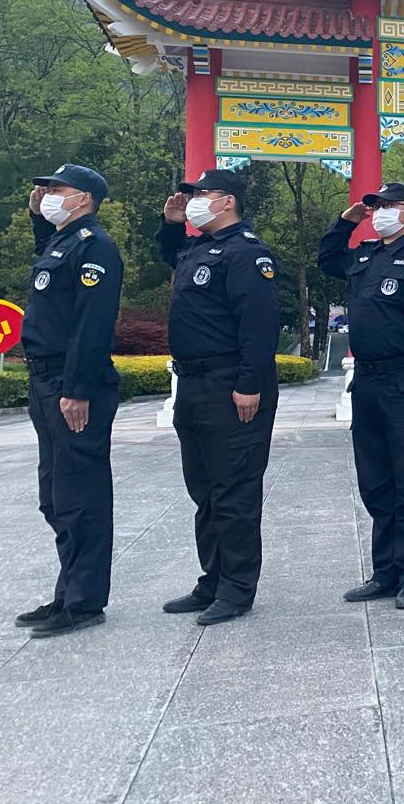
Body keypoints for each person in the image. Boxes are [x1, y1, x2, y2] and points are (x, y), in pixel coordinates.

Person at [156, 169, 280, 625]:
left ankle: (237, 589)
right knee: (204, 490)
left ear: (227, 201)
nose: (191, 200)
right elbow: (169, 255)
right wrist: (171, 224)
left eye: (200, 194)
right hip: (194, 385)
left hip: (230, 384)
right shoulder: (198, 248)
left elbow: (259, 325)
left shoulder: (247, 254)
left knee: (235, 491)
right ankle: (213, 579)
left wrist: (249, 384)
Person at [319, 182, 404, 608]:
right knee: (375, 481)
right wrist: (346, 222)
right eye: (377, 206)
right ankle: (384, 572)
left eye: (390, 205)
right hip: (367, 383)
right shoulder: (365, 255)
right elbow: (327, 260)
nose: (380, 212)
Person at [15, 164, 123, 638]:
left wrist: (77, 389)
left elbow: (90, 325)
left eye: (57, 190)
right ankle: (66, 591)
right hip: (45, 381)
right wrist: (37, 215)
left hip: (72, 384)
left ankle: (83, 602)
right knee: (55, 497)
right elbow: (51, 276)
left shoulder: (94, 246)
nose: (47, 195)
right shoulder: (62, 243)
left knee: (81, 496)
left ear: (83, 199)